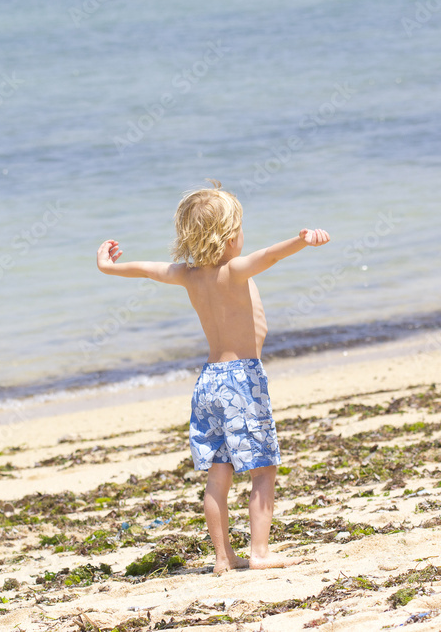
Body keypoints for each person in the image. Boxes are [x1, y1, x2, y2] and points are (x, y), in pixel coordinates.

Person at [96, 179, 330, 574]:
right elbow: (270, 256)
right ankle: (259, 553)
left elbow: (148, 270)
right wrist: (302, 240)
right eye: (239, 228)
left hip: (208, 382)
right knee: (263, 469)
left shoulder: (188, 274)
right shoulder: (235, 270)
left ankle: (223, 558)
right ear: (229, 236)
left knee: (219, 472)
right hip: (242, 380)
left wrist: (108, 267)